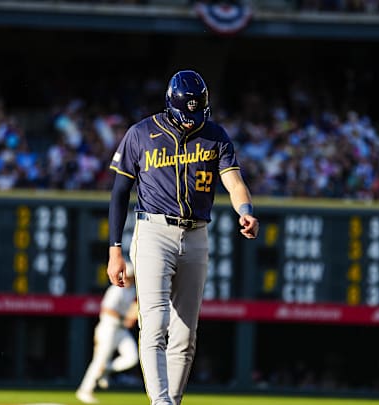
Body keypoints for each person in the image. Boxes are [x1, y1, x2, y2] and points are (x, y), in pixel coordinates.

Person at [106, 70, 259, 405]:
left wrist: (245, 210)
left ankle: (171, 402)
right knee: (156, 321)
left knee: (186, 333)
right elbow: (119, 192)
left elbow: (233, 181)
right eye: (184, 114)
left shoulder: (215, 135)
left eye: (196, 114)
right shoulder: (141, 133)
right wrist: (114, 248)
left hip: (196, 234)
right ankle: (160, 402)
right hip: (153, 231)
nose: (190, 121)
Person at [76, 262, 139, 404]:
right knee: (99, 360)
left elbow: (134, 306)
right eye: (129, 276)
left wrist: (131, 316)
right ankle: (85, 390)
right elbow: (107, 310)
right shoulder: (116, 289)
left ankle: (107, 369)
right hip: (108, 327)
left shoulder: (132, 290)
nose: (130, 278)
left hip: (120, 330)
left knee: (132, 357)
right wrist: (126, 318)